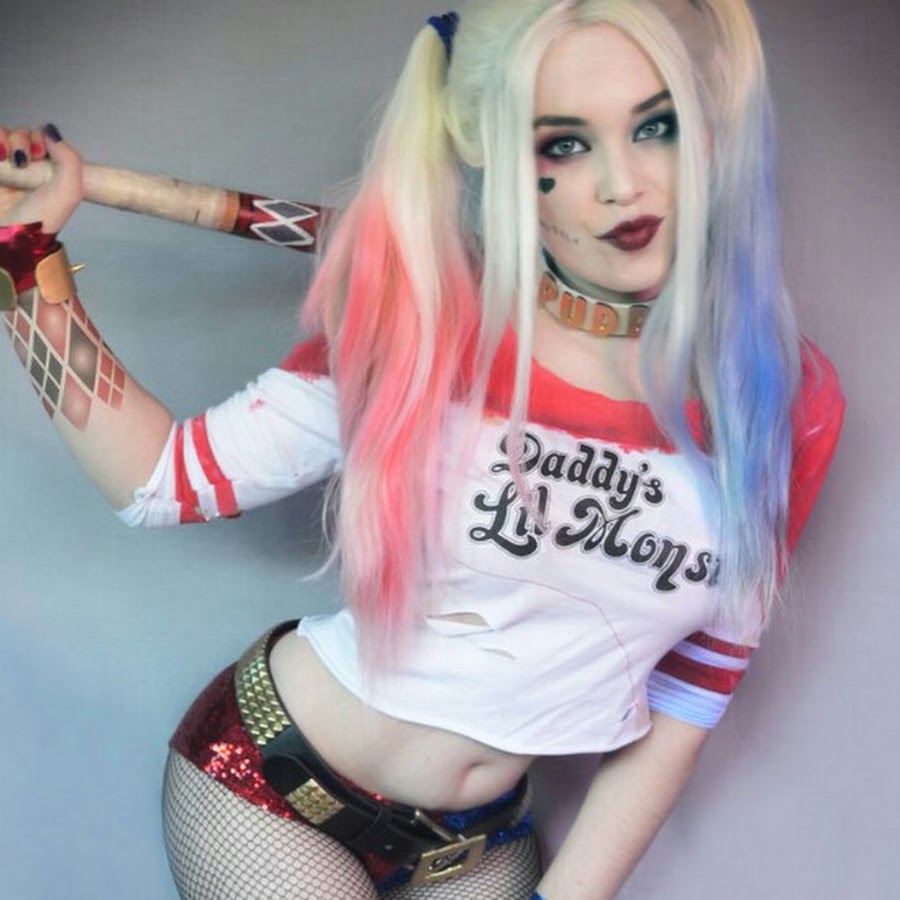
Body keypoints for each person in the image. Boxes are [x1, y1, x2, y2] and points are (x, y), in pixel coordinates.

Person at [0, 0, 844, 897]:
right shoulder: (427, 332)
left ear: (709, 131)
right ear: (503, 161)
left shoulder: (777, 400)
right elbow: (162, 479)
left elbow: (693, 690)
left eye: (655, 127)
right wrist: (22, 257)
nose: (622, 185)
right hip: (276, 790)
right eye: (563, 145)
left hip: (480, 841)